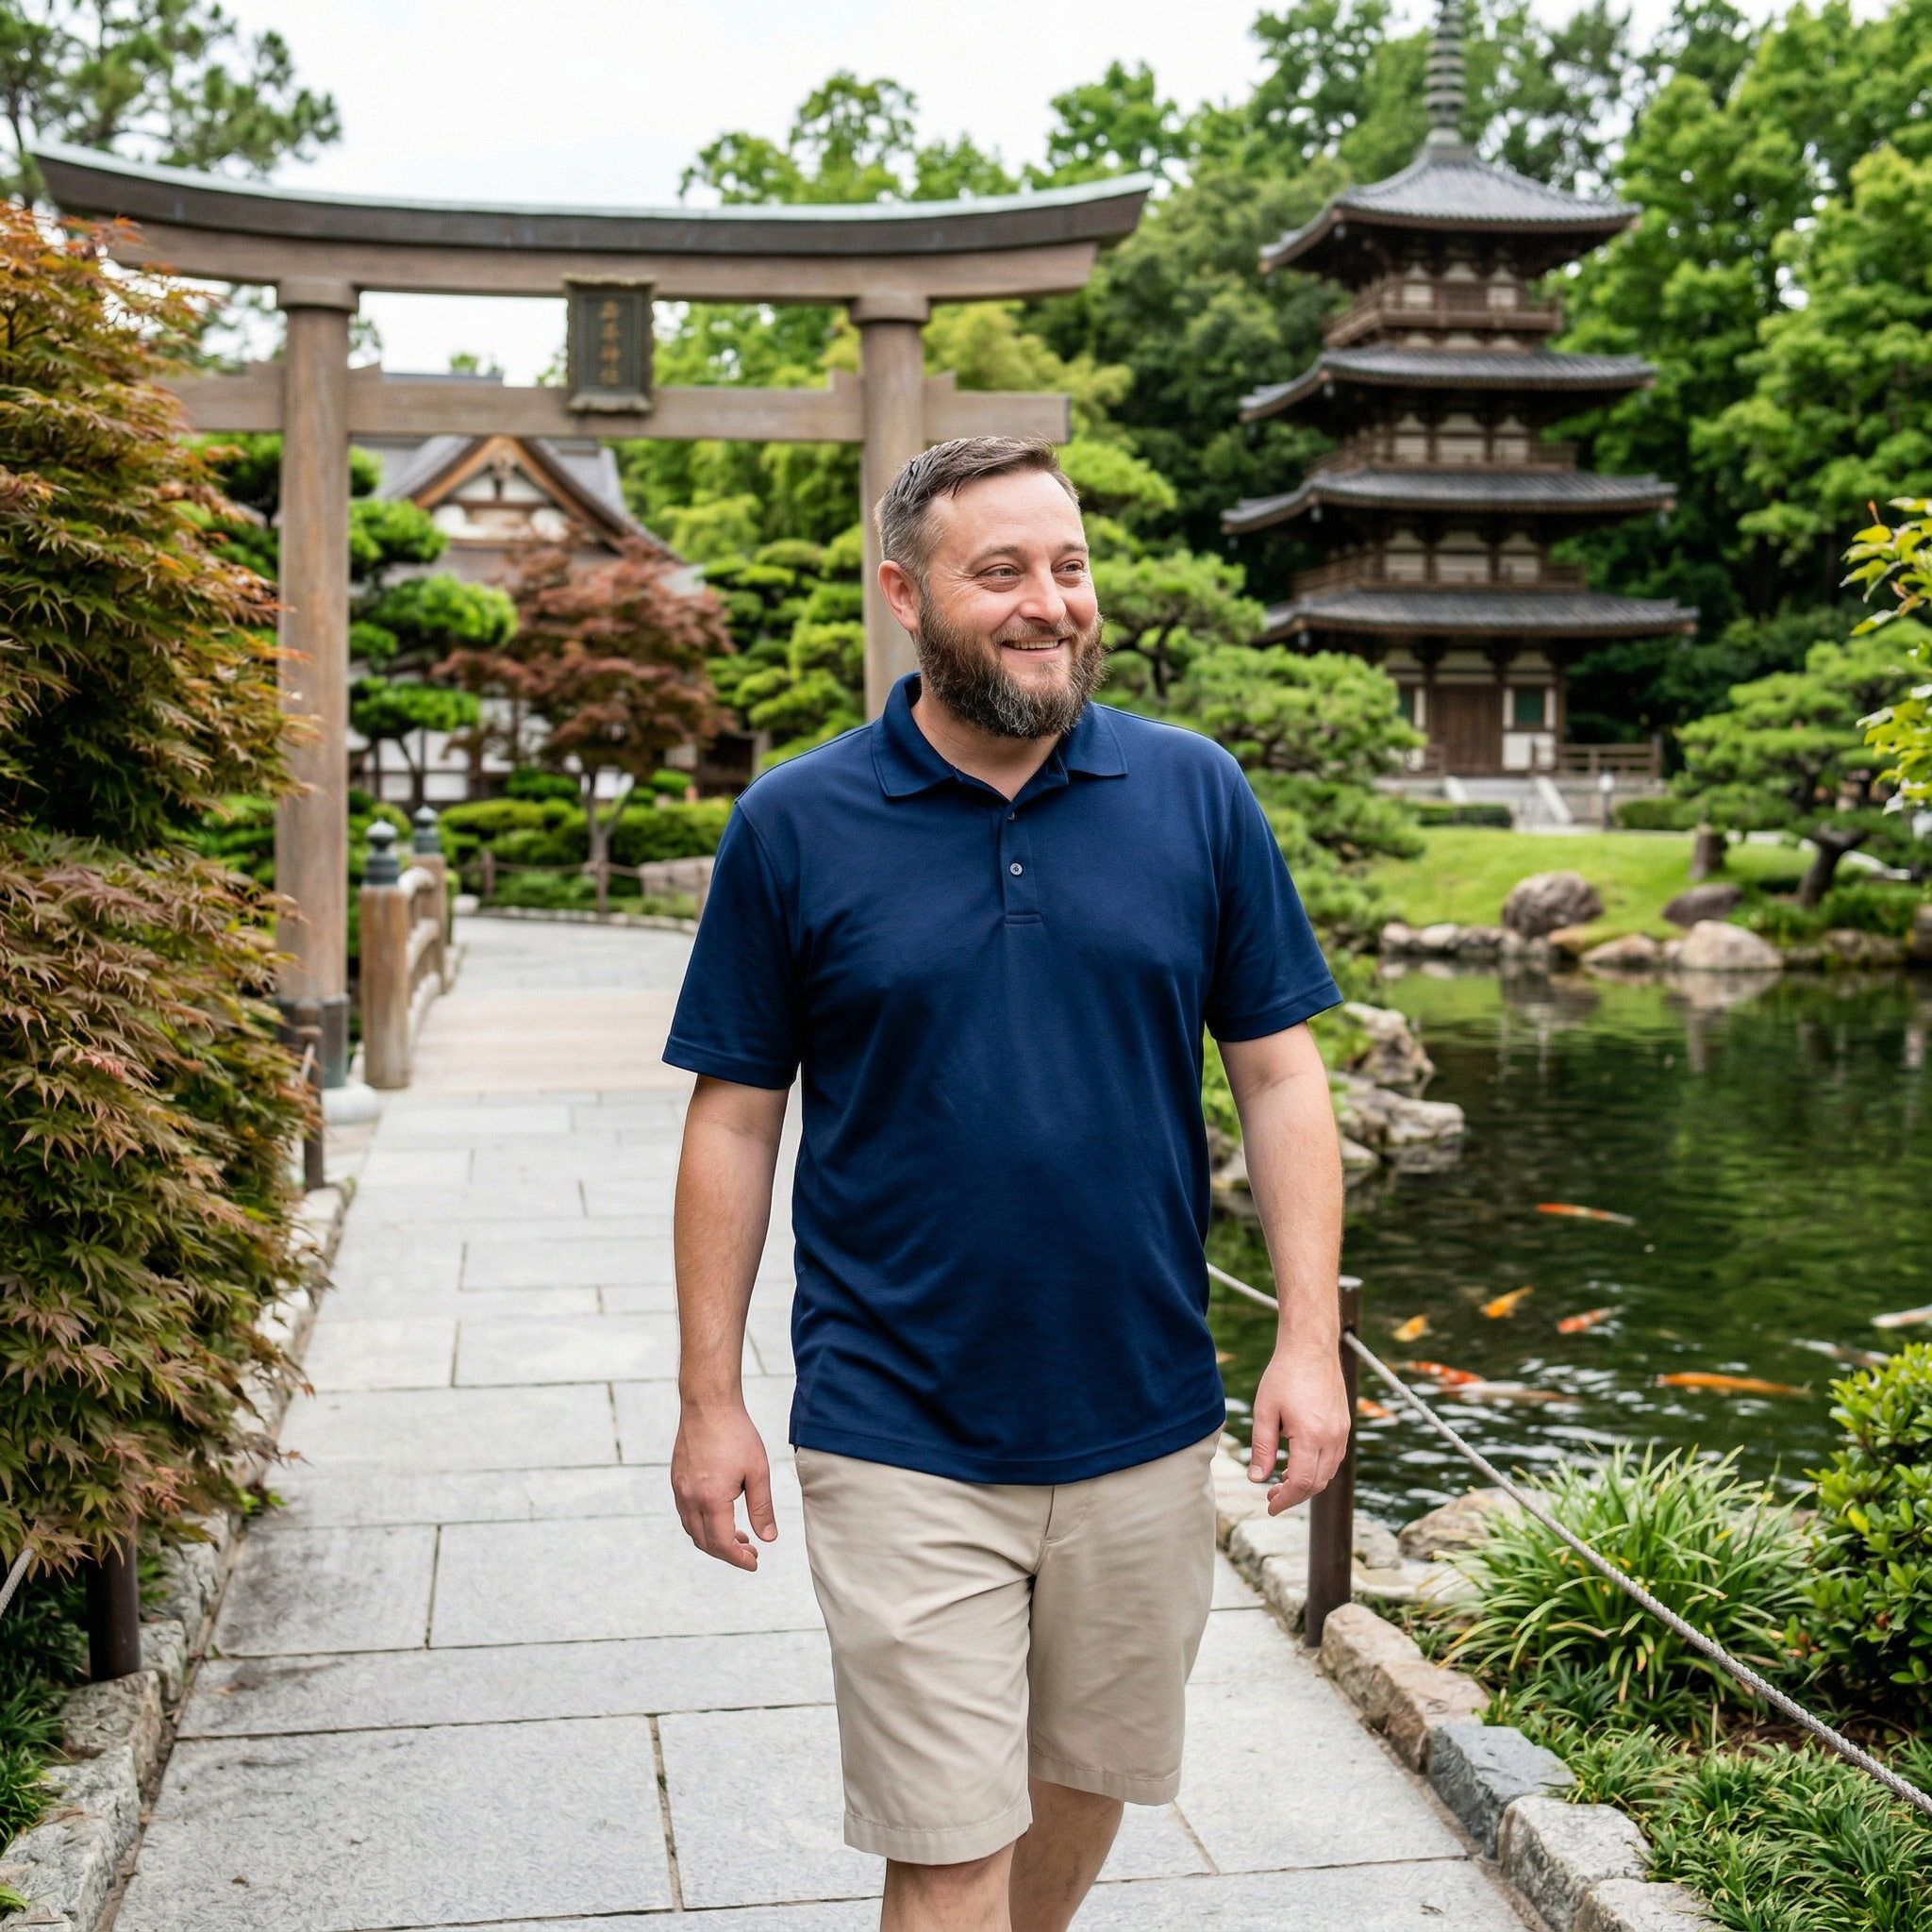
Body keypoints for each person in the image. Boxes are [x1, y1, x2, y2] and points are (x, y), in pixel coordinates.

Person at [666, 436, 1350, 1932]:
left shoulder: (1196, 794)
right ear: (906, 596)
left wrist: (1305, 1341)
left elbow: (1282, 1073)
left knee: (1080, 1787)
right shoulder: (795, 822)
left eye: (1071, 565)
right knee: (949, 1846)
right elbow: (734, 1118)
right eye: (1004, 574)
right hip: (899, 1416)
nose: (1052, 604)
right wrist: (709, 1397)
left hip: (1144, 1406)